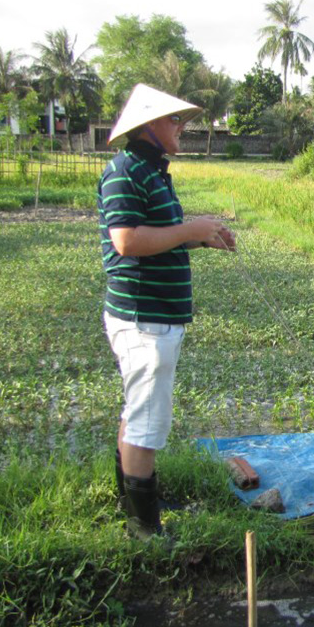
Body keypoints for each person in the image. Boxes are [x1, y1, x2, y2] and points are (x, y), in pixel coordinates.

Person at [98, 84, 236, 540]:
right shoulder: (125, 171)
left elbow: (161, 234)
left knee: (138, 409)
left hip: (157, 317)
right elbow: (128, 242)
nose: (182, 128)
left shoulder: (151, 172)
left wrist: (200, 236)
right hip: (143, 320)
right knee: (147, 418)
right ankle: (145, 528)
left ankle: (137, 499)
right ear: (150, 126)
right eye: (175, 120)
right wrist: (187, 228)